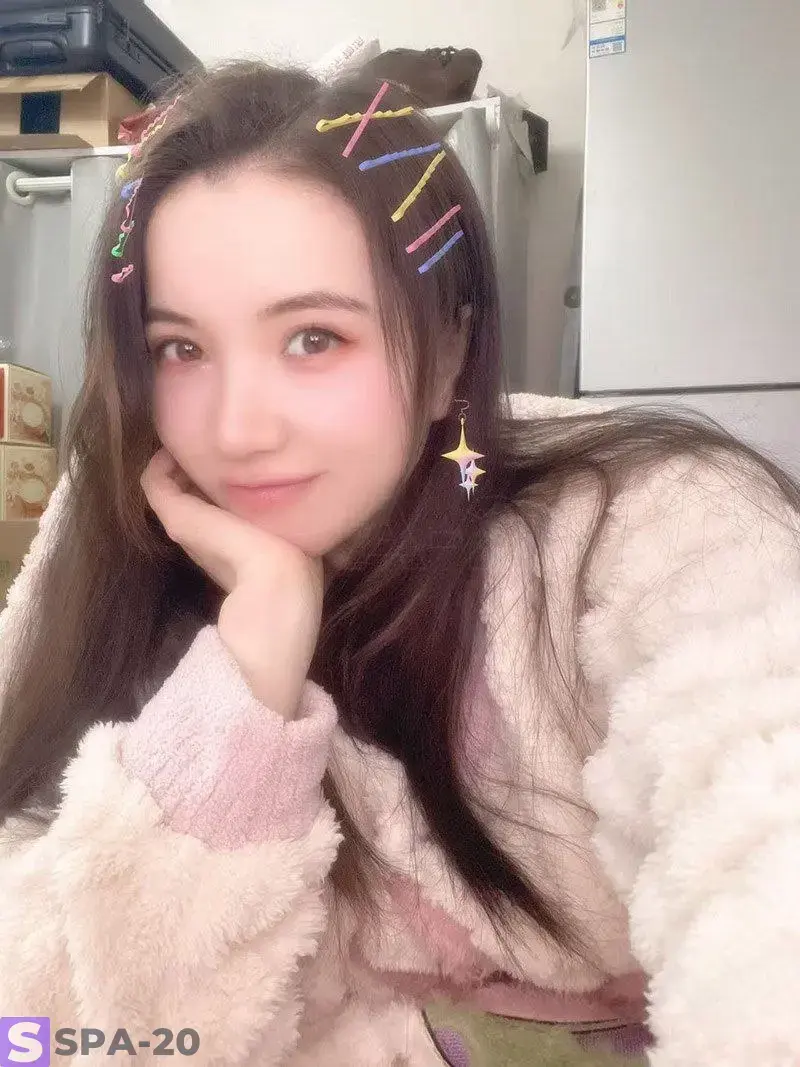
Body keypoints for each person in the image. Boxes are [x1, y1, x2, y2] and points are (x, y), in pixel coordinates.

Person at [1, 61, 799, 1067]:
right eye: (179, 349)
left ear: (448, 351)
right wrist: (243, 682)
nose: (237, 429)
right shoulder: (117, 542)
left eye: (312, 337)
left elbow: (770, 866)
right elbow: (41, 1029)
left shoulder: (656, 524)